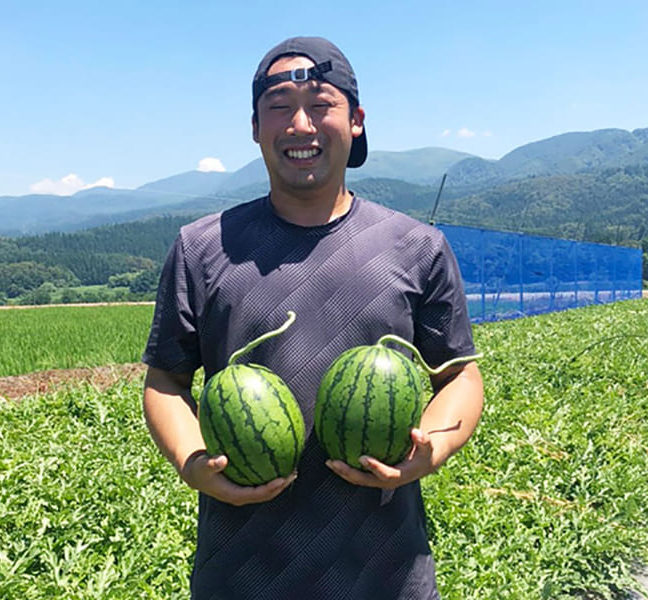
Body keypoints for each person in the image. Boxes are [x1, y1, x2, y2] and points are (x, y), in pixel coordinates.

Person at [142, 36, 484, 600]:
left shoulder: (416, 246)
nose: (300, 124)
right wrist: (191, 463)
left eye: (321, 105)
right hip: (242, 571)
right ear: (255, 127)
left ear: (355, 121)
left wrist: (435, 447)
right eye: (279, 107)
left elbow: (459, 375)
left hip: (385, 570)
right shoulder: (201, 248)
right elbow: (165, 382)